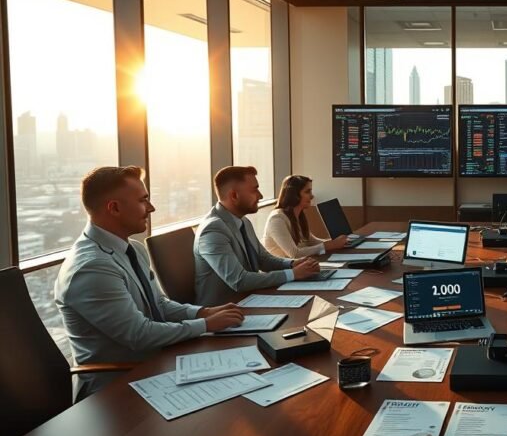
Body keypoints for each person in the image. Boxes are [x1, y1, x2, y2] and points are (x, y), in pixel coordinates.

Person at [54, 166, 244, 400]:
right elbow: (139, 334)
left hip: (155, 367)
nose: (151, 207)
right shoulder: (91, 268)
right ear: (114, 208)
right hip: (115, 391)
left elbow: (159, 304)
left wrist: (203, 312)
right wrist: (205, 325)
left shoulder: (133, 249)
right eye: (143, 200)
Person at [194, 166, 321, 306]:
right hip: (225, 310)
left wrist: (292, 264)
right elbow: (239, 281)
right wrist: (293, 274)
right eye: (254, 190)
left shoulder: (243, 221)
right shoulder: (212, 230)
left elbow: (263, 259)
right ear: (234, 195)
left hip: (252, 299)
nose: (260, 196)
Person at [262, 175, 349, 258]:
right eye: (307, 192)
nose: (312, 196)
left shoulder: (298, 215)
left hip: (299, 265)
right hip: (282, 268)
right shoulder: (277, 219)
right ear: (294, 195)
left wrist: (338, 242)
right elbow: (294, 254)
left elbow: (312, 242)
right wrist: (330, 245)